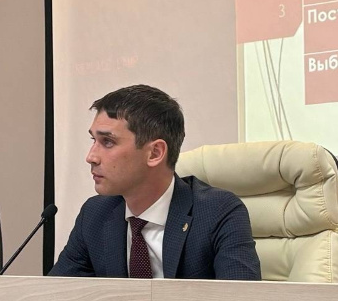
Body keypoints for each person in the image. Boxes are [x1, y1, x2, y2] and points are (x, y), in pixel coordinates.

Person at [50, 85, 260, 280]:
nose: (91, 157)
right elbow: (56, 297)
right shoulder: (95, 214)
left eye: (108, 142)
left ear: (155, 153)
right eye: (93, 140)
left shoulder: (218, 212)